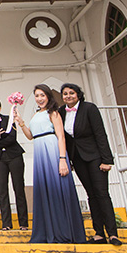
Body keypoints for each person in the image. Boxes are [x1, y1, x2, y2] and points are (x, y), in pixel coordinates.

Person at [16, 84, 85, 244]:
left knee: (58, 189)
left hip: (53, 150)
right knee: (45, 191)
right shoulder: (35, 115)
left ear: (48, 96)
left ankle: (64, 230)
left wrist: (62, 159)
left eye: (42, 95)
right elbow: (30, 136)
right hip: (40, 151)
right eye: (37, 96)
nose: (39, 99)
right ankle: (49, 231)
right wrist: (21, 123)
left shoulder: (54, 113)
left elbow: (61, 136)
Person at [59, 83, 121, 246]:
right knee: (91, 195)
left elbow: (100, 133)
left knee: (101, 193)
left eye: (71, 93)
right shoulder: (61, 112)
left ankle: (112, 233)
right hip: (77, 159)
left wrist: (107, 160)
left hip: (95, 157)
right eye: (65, 94)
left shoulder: (89, 108)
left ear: (78, 94)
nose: (68, 96)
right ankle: (99, 233)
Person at [0, 97, 28, 231]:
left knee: (18, 188)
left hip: (14, 156)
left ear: (0, 108)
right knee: (2, 190)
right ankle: (7, 224)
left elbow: (12, 138)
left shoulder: (8, 119)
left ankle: (23, 223)